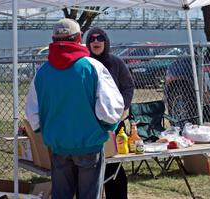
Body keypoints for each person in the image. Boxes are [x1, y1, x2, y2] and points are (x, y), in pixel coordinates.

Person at [25, 18, 124, 199]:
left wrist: (46, 131)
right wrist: (107, 127)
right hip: (89, 144)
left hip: (58, 146)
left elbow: (32, 113)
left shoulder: (42, 72)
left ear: (54, 39)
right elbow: (110, 109)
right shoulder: (92, 67)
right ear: (79, 37)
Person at [86, 27, 135, 199]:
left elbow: (128, 87)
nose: (96, 42)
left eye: (100, 38)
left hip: (114, 123)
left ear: (106, 42)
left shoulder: (116, 63)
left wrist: (121, 109)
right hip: (90, 125)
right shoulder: (84, 64)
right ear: (87, 43)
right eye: (92, 39)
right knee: (91, 167)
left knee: (113, 167)